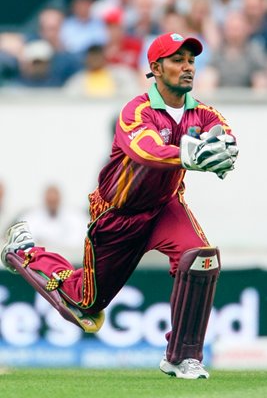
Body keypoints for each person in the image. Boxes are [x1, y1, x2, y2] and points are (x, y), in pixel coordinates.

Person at [1, 32, 238, 379]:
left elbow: (225, 139)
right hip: (118, 216)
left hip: (164, 207)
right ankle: (23, 253)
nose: (187, 67)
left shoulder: (202, 113)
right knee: (86, 305)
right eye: (177, 60)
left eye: (190, 60)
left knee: (200, 258)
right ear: (155, 68)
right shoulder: (136, 110)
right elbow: (148, 150)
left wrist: (225, 152)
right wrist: (192, 153)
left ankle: (181, 356)